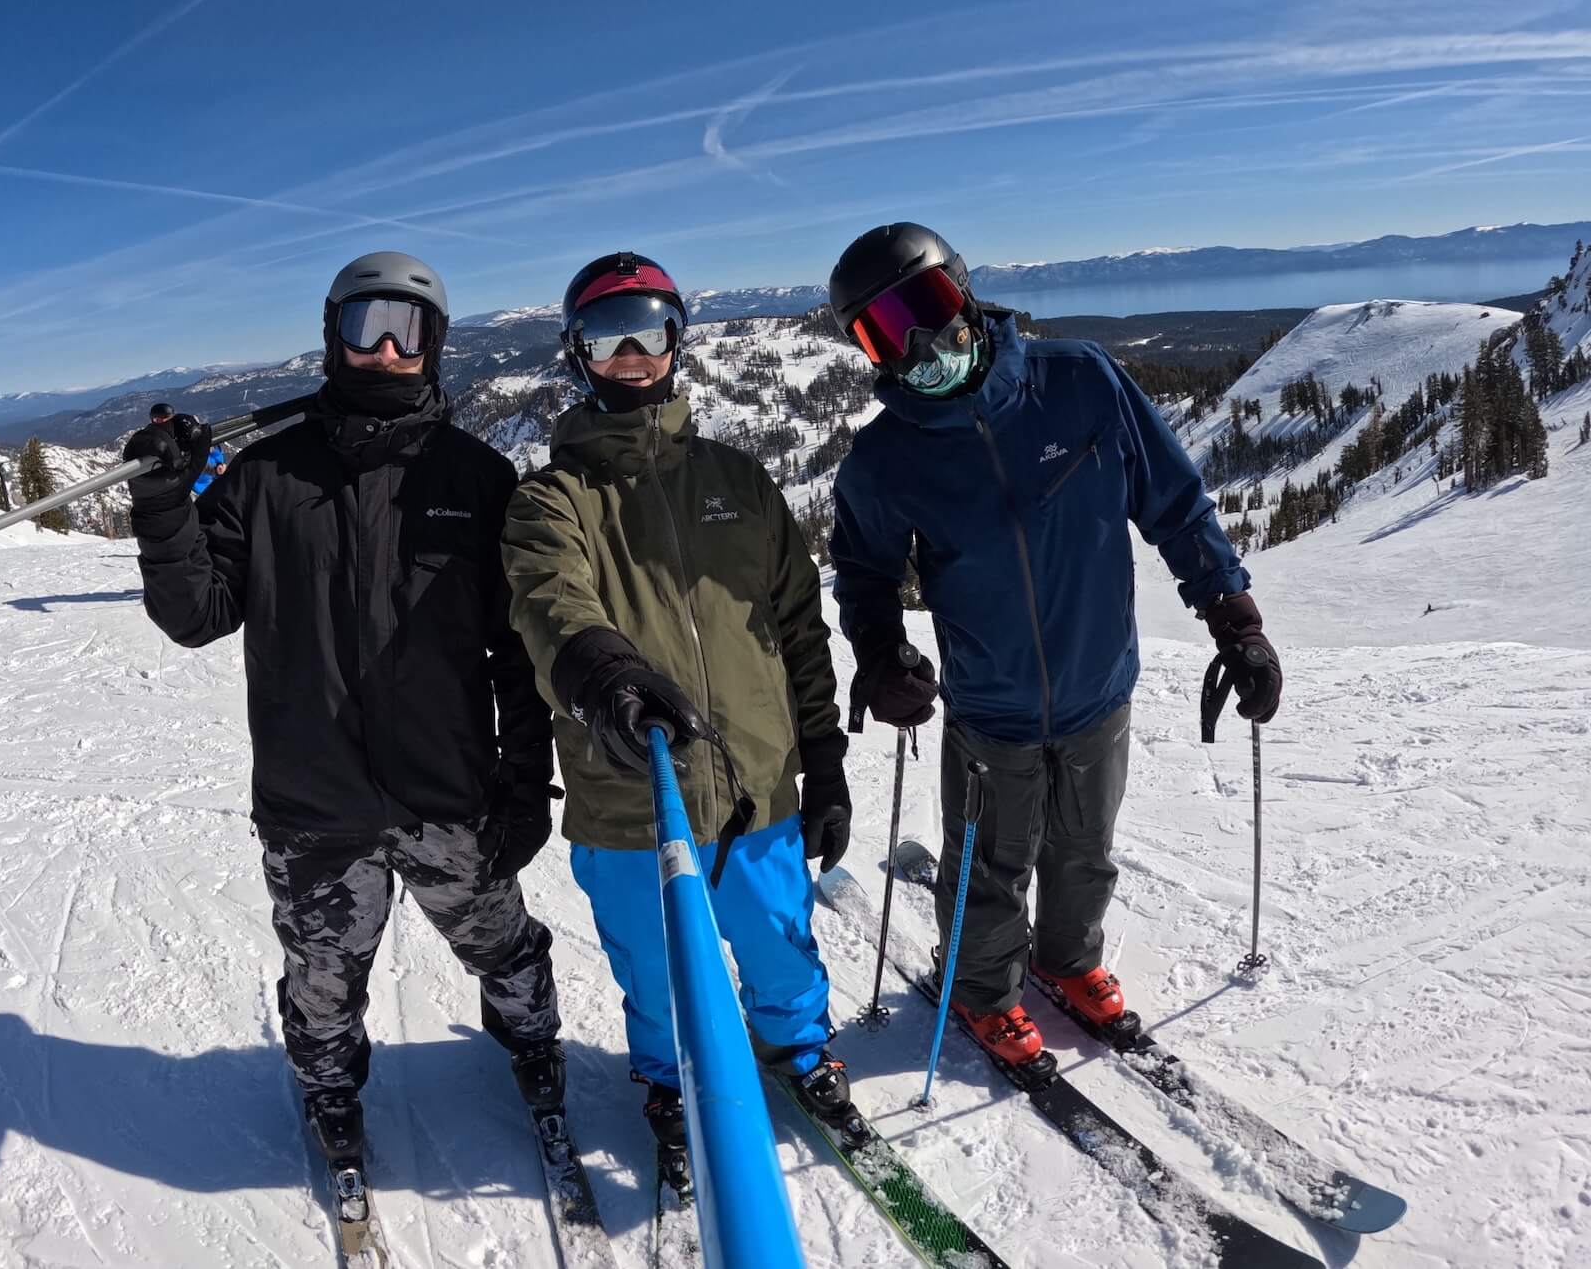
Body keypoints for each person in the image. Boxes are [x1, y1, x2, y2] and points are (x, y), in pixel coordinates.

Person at [125, 251, 563, 1169]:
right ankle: (330, 1091)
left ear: (436, 346)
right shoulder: (266, 477)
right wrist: (166, 507)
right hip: (314, 803)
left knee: (504, 945)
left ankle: (532, 1043)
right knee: (322, 982)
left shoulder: (475, 479)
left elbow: (519, 656)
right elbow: (196, 616)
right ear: (335, 335)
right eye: (368, 325)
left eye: (411, 330)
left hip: (448, 792)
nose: (388, 349)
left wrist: (526, 778)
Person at [825, 223, 1279, 1067]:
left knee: (1085, 847)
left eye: (925, 306)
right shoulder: (886, 459)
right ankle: (983, 991)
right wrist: (882, 657)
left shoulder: (1081, 383)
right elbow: (864, 575)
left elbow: (1175, 503)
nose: (920, 342)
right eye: (885, 330)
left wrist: (1233, 617)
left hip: (1099, 683)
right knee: (990, 866)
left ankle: (1068, 962)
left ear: (963, 291)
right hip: (991, 703)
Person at [501, 251, 858, 1181]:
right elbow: (550, 603)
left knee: (780, 947)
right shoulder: (554, 499)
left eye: (649, 330)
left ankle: (800, 1053)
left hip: (758, 786)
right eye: (606, 336)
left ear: (676, 341)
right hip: (632, 793)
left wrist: (822, 754)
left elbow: (796, 627)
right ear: (576, 354)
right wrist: (602, 673)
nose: (632, 355)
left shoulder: (740, 485)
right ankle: (672, 1080)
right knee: (657, 973)